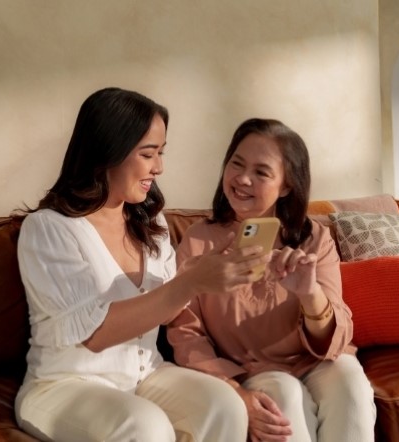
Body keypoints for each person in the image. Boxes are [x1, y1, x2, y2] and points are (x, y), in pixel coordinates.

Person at [14, 87, 267, 442]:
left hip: (146, 375)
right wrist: (189, 283)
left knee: (224, 404)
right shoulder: (48, 229)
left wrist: (197, 275)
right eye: (148, 154)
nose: (159, 167)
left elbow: (165, 313)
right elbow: (93, 335)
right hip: (63, 386)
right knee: (146, 426)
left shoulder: (151, 222)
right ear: (108, 151)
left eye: (161, 153)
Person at [167, 118, 376, 442]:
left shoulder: (314, 239)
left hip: (317, 362)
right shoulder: (199, 241)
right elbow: (186, 333)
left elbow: (337, 332)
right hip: (252, 371)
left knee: (350, 382)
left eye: (261, 172)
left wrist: (309, 293)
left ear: (287, 186)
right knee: (283, 394)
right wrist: (234, 389)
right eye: (237, 164)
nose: (243, 178)